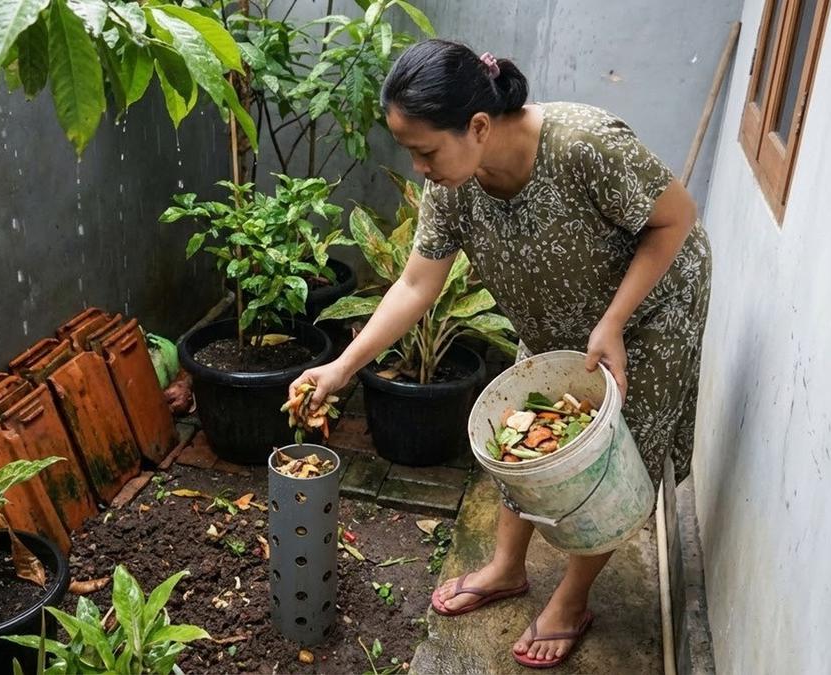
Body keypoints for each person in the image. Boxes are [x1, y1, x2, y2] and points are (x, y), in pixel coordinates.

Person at [289, 39, 711, 668]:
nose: (418, 169)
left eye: (425, 151)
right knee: (520, 433)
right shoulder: (454, 186)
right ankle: (507, 567)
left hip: (648, 311)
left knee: (610, 457)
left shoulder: (584, 145)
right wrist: (341, 368)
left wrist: (614, 321)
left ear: (479, 125)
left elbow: (676, 220)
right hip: (556, 314)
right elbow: (415, 284)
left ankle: (571, 598)